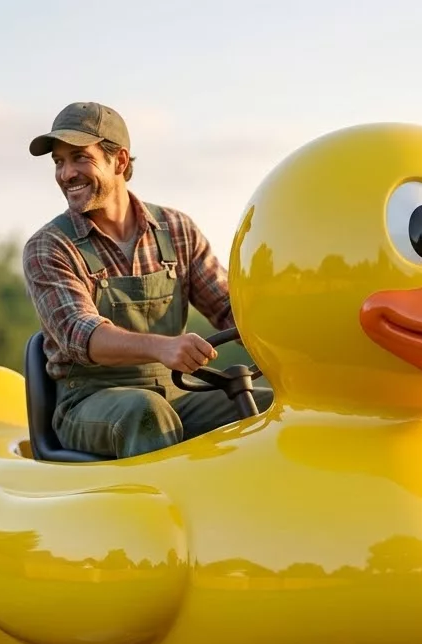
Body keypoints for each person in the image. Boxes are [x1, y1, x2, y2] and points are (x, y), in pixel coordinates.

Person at [22, 101, 273, 459]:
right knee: (145, 413)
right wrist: (163, 347)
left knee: (275, 407)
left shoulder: (177, 230)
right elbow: (81, 334)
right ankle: (169, 515)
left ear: (120, 161)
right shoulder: (49, 247)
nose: (66, 174)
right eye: (59, 162)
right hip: (88, 404)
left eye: (79, 157)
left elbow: (231, 309)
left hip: (178, 394)